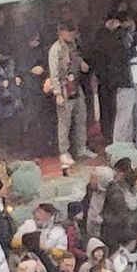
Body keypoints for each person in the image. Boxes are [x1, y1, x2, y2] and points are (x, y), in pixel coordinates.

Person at [49, 21, 90, 173]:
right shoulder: (55, 49)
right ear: (61, 32)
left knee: (81, 117)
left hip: (76, 85)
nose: (72, 35)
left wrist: (82, 63)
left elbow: (76, 58)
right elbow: (53, 73)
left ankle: (81, 147)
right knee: (64, 122)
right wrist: (57, 93)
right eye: (69, 32)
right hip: (64, 88)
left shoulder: (73, 45)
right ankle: (63, 152)